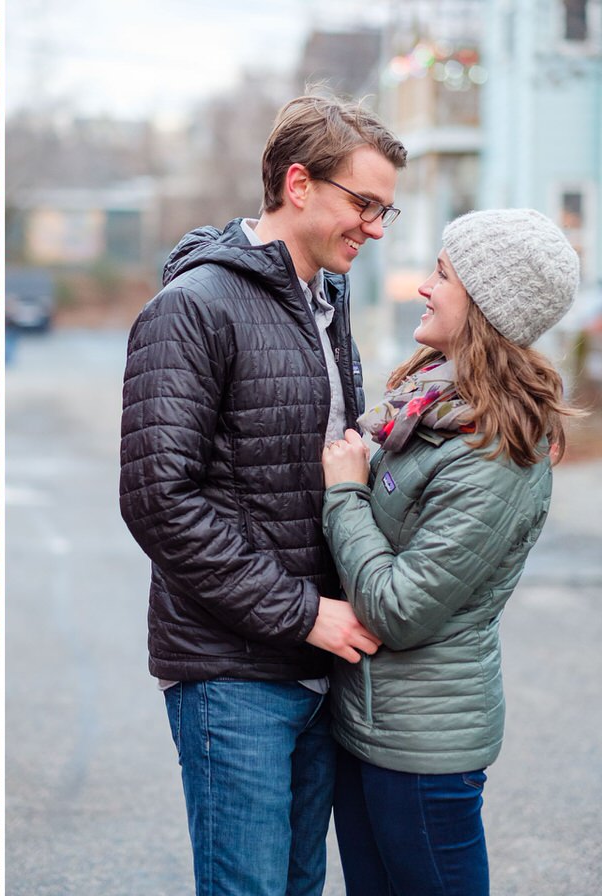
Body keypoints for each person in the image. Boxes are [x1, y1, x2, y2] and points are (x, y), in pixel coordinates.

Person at [119, 94, 408, 896]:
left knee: (299, 886)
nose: (377, 228)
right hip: (233, 675)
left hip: (319, 669)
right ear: (297, 184)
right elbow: (158, 500)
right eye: (365, 204)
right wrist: (305, 612)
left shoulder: (327, 300)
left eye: (386, 209)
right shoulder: (193, 308)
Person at [320, 208, 579, 896]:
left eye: (442, 275)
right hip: (373, 729)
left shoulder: (493, 456)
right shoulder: (431, 409)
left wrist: (345, 492)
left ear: (487, 306)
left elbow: (401, 609)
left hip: (424, 752)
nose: (423, 288)